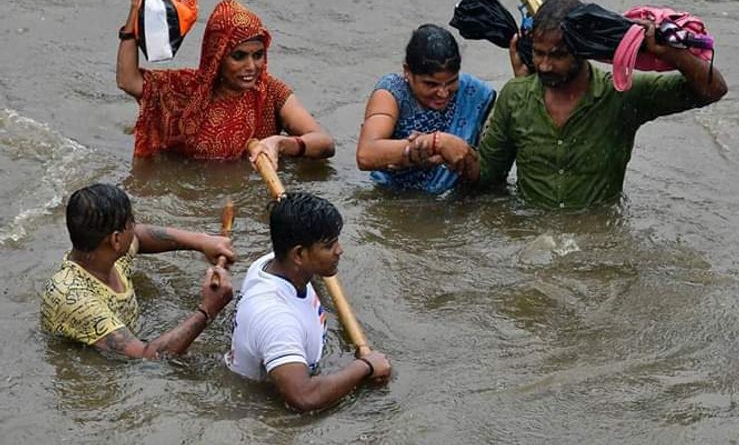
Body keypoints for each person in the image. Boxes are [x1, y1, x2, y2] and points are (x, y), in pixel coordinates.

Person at [463, 0, 728, 208]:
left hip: (599, 240)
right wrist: (455, 154)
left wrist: (671, 54)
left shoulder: (622, 93)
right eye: (538, 54)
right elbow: (489, 176)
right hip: (533, 238)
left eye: (557, 55)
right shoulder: (515, 96)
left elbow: (713, 90)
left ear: (583, 50)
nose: (544, 65)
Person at [117, 0, 335, 165]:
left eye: (258, 55)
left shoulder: (271, 93)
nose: (251, 67)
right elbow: (128, 80)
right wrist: (136, 3)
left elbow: (324, 143)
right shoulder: (183, 91)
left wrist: (282, 143)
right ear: (217, 56)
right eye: (239, 56)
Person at [225, 193, 391, 412]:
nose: (339, 250)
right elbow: (303, 397)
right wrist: (365, 366)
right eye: (329, 245)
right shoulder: (277, 320)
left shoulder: (270, 263)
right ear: (299, 254)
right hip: (262, 409)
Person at [41, 183, 235, 358]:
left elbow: (139, 237)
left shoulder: (103, 255)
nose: (135, 228)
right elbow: (147, 356)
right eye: (131, 223)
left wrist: (203, 242)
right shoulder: (76, 299)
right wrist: (208, 309)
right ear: (116, 239)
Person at [356, 24, 495, 193]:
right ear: (407, 72)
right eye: (431, 84)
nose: (443, 93)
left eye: (451, 82)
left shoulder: (474, 93)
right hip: (393, 197)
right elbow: (366, 154)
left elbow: (490, 168)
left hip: (454, 199)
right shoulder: (392, 92)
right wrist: (434, 144)